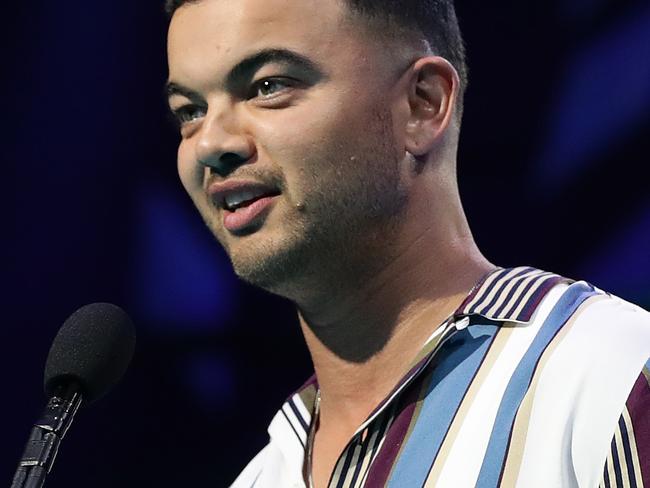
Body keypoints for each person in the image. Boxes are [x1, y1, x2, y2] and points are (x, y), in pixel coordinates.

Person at [163, 0, 650, 486]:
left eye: (268, 86)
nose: (210, 144)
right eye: (190, 112)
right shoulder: (261, 478)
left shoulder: (613, 374)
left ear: (423, 104)